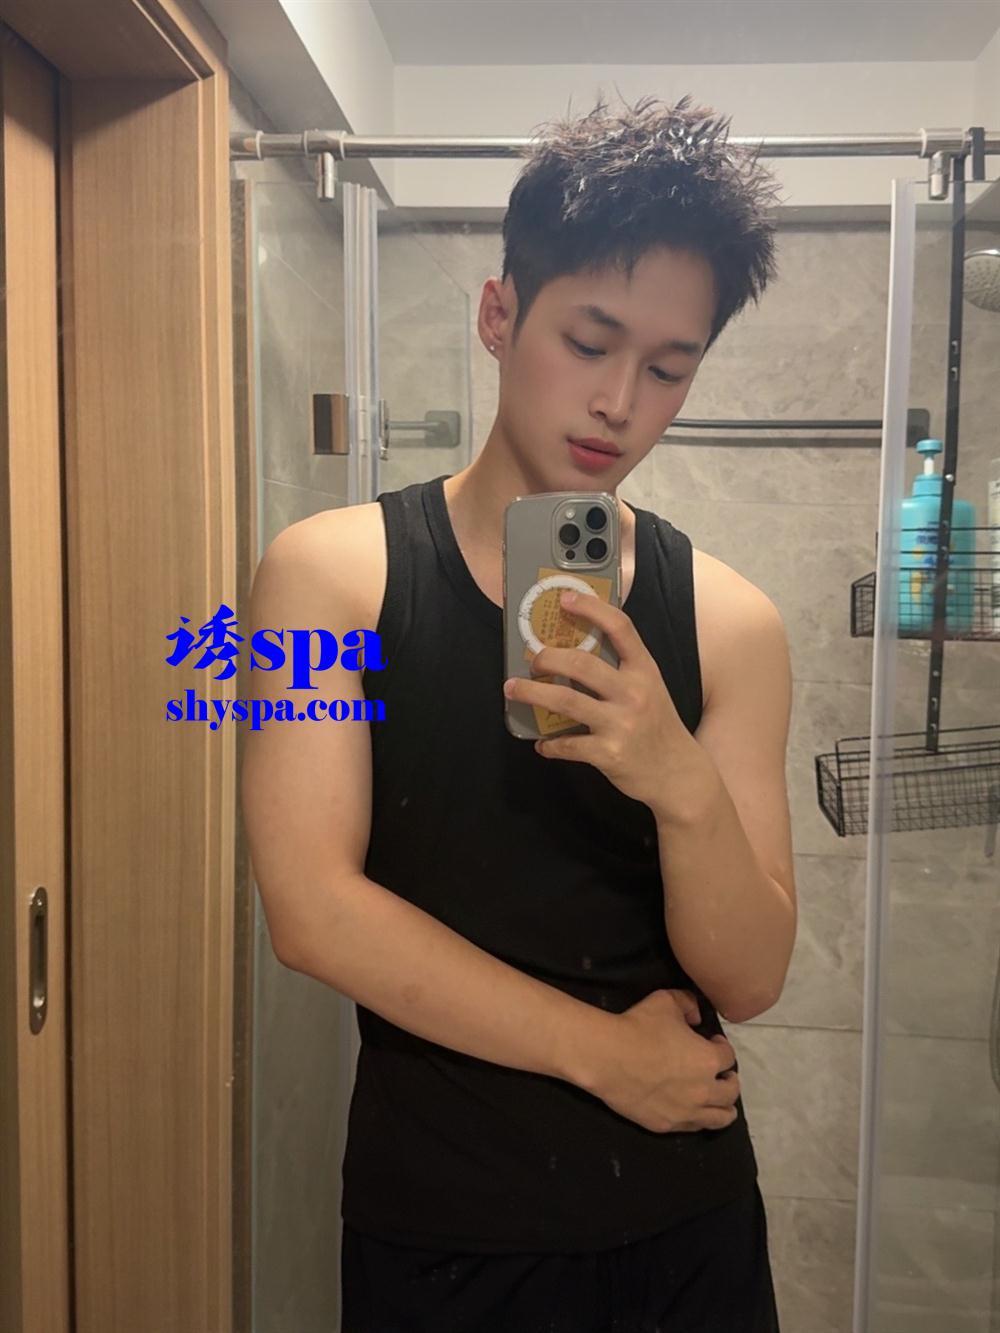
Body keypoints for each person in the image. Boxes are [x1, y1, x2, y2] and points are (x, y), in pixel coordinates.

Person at [241, 91, 797, 1333]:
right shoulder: (327, 576)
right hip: (448, 1228)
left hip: (685, 1219)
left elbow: (751, 973)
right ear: (499, 314)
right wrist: (604, 1055)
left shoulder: (733, 624)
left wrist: (678, 779)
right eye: (588, 341)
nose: (619, 402)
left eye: (668, 367)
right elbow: (310, 910)